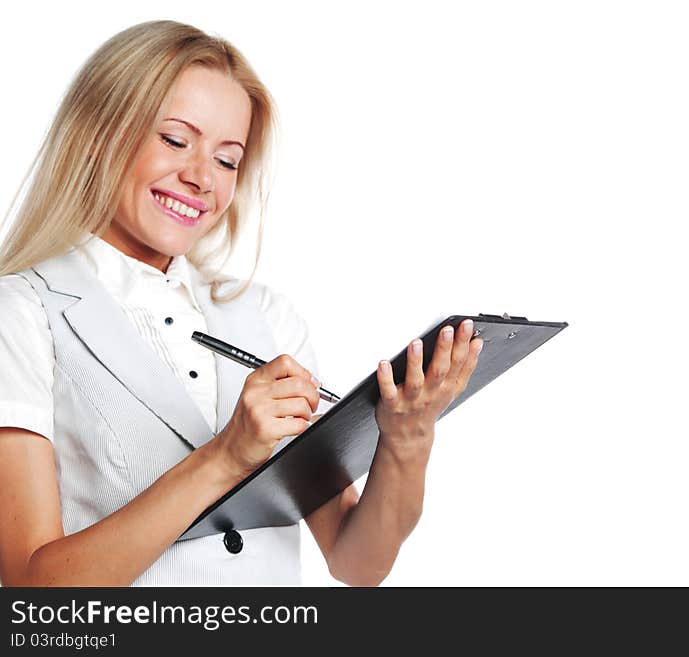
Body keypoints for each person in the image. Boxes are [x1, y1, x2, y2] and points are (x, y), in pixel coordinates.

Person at [0, 20, 482, 586]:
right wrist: (226, 456)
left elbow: (358, 563)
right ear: (99, 132)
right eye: (175, 140)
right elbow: (33, 590)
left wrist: (409, 437)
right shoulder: (23, 312)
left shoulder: (269, 320)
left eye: (227, 159)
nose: (202, 177)